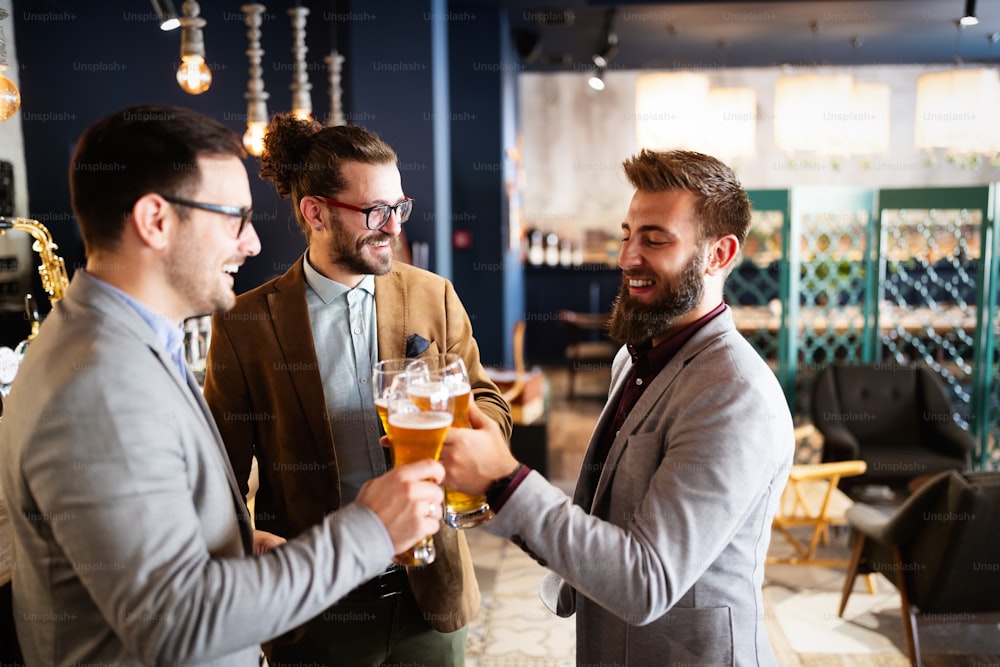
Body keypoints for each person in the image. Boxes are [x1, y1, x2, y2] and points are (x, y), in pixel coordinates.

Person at [0, 104, 447, 667]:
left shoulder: (127, 345)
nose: (252, 244)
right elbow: (177, 626)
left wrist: (236, 544)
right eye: (234, 218)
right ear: (156, 221)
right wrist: (372, 530)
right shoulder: (102, 388)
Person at [440, 149, 795, 666]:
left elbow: (646, 581)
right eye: (628, 234)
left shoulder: (734, 393)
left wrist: (504, 480)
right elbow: (604, 516)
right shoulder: (633, 358)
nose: (628, 256)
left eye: (654, 240)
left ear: (719, 254)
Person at [202, 113, 511, 666]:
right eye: (375, 211)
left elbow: (488, 402)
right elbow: (217, 470)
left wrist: (462, 430)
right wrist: (244, 544)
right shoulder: (244, 323)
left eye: (399, 208)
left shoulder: (434, 295)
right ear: (315, 212)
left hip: (429, 595)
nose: (394, 227)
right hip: (315, 607)